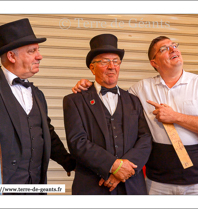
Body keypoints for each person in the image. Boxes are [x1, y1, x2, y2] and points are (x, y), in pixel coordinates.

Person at [72, 36, 198, 195]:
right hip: (158, 182)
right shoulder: (139, 89)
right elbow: (109, 97)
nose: (173, 49)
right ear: (154, 63)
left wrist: (175, 117)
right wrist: (91, 86)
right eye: (164, 49)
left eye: (174, 45)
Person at [0, 18, 75, 187]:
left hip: (34, 187)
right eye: (32, 51)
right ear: (11, 56)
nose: (40, 56)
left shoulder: (38, 95)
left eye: (38, 50)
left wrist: (71, 163)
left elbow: (47, 136)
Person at [63, 34, 152, 195]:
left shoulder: (134, 100)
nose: (112, 66)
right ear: (92, 68)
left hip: (131, 185)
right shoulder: (74, 101)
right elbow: (77, 142)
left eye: (116, 61)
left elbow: (145, 139)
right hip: (93, 185)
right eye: (104, 61)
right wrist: (113, 166)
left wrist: (124, 170)